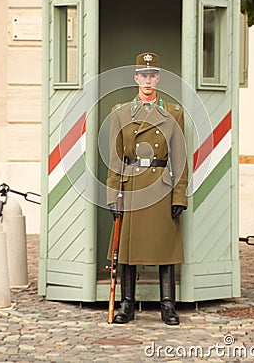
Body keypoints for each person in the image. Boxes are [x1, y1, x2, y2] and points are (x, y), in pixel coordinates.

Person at [106, 52, 188, 325]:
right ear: (136, 78)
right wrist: (111, 196)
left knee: (165, 248)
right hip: (132, 188)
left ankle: (168, 305)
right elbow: (115, 158)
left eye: (152, 75)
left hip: (161, 187)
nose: (148, 80)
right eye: (143, 75)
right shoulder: (120, 113)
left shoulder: (174, 113)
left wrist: (179, 195)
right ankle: (127, 304)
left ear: (158, 78)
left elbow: (180, 160)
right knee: (128, 250)